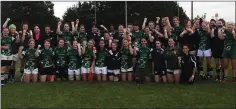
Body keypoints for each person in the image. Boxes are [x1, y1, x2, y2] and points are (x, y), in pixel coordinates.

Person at [2, 18, 21, 82]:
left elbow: (18, 42)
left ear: (15, 29)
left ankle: (12, 77)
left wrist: (18, 35)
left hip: (15, 52)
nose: (12, 29)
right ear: (9, 29)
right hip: (8, 52)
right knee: (8, 65)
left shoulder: (16, 34)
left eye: (14, 28)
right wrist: (7, 20)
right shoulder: (7, 33)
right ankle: (7, 77)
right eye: (11, 28)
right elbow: (3, 27)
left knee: (13, 66)